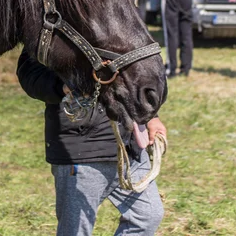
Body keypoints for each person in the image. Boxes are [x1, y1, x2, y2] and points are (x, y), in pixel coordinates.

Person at [16, 49, 167, 236]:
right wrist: (63, 87)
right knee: (76, 231)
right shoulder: (52, 22)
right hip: (82, 148)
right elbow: (29, 72)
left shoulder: (127, 20)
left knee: (148, 215)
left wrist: (151, 116)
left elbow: (139, 69)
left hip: (129, 148)